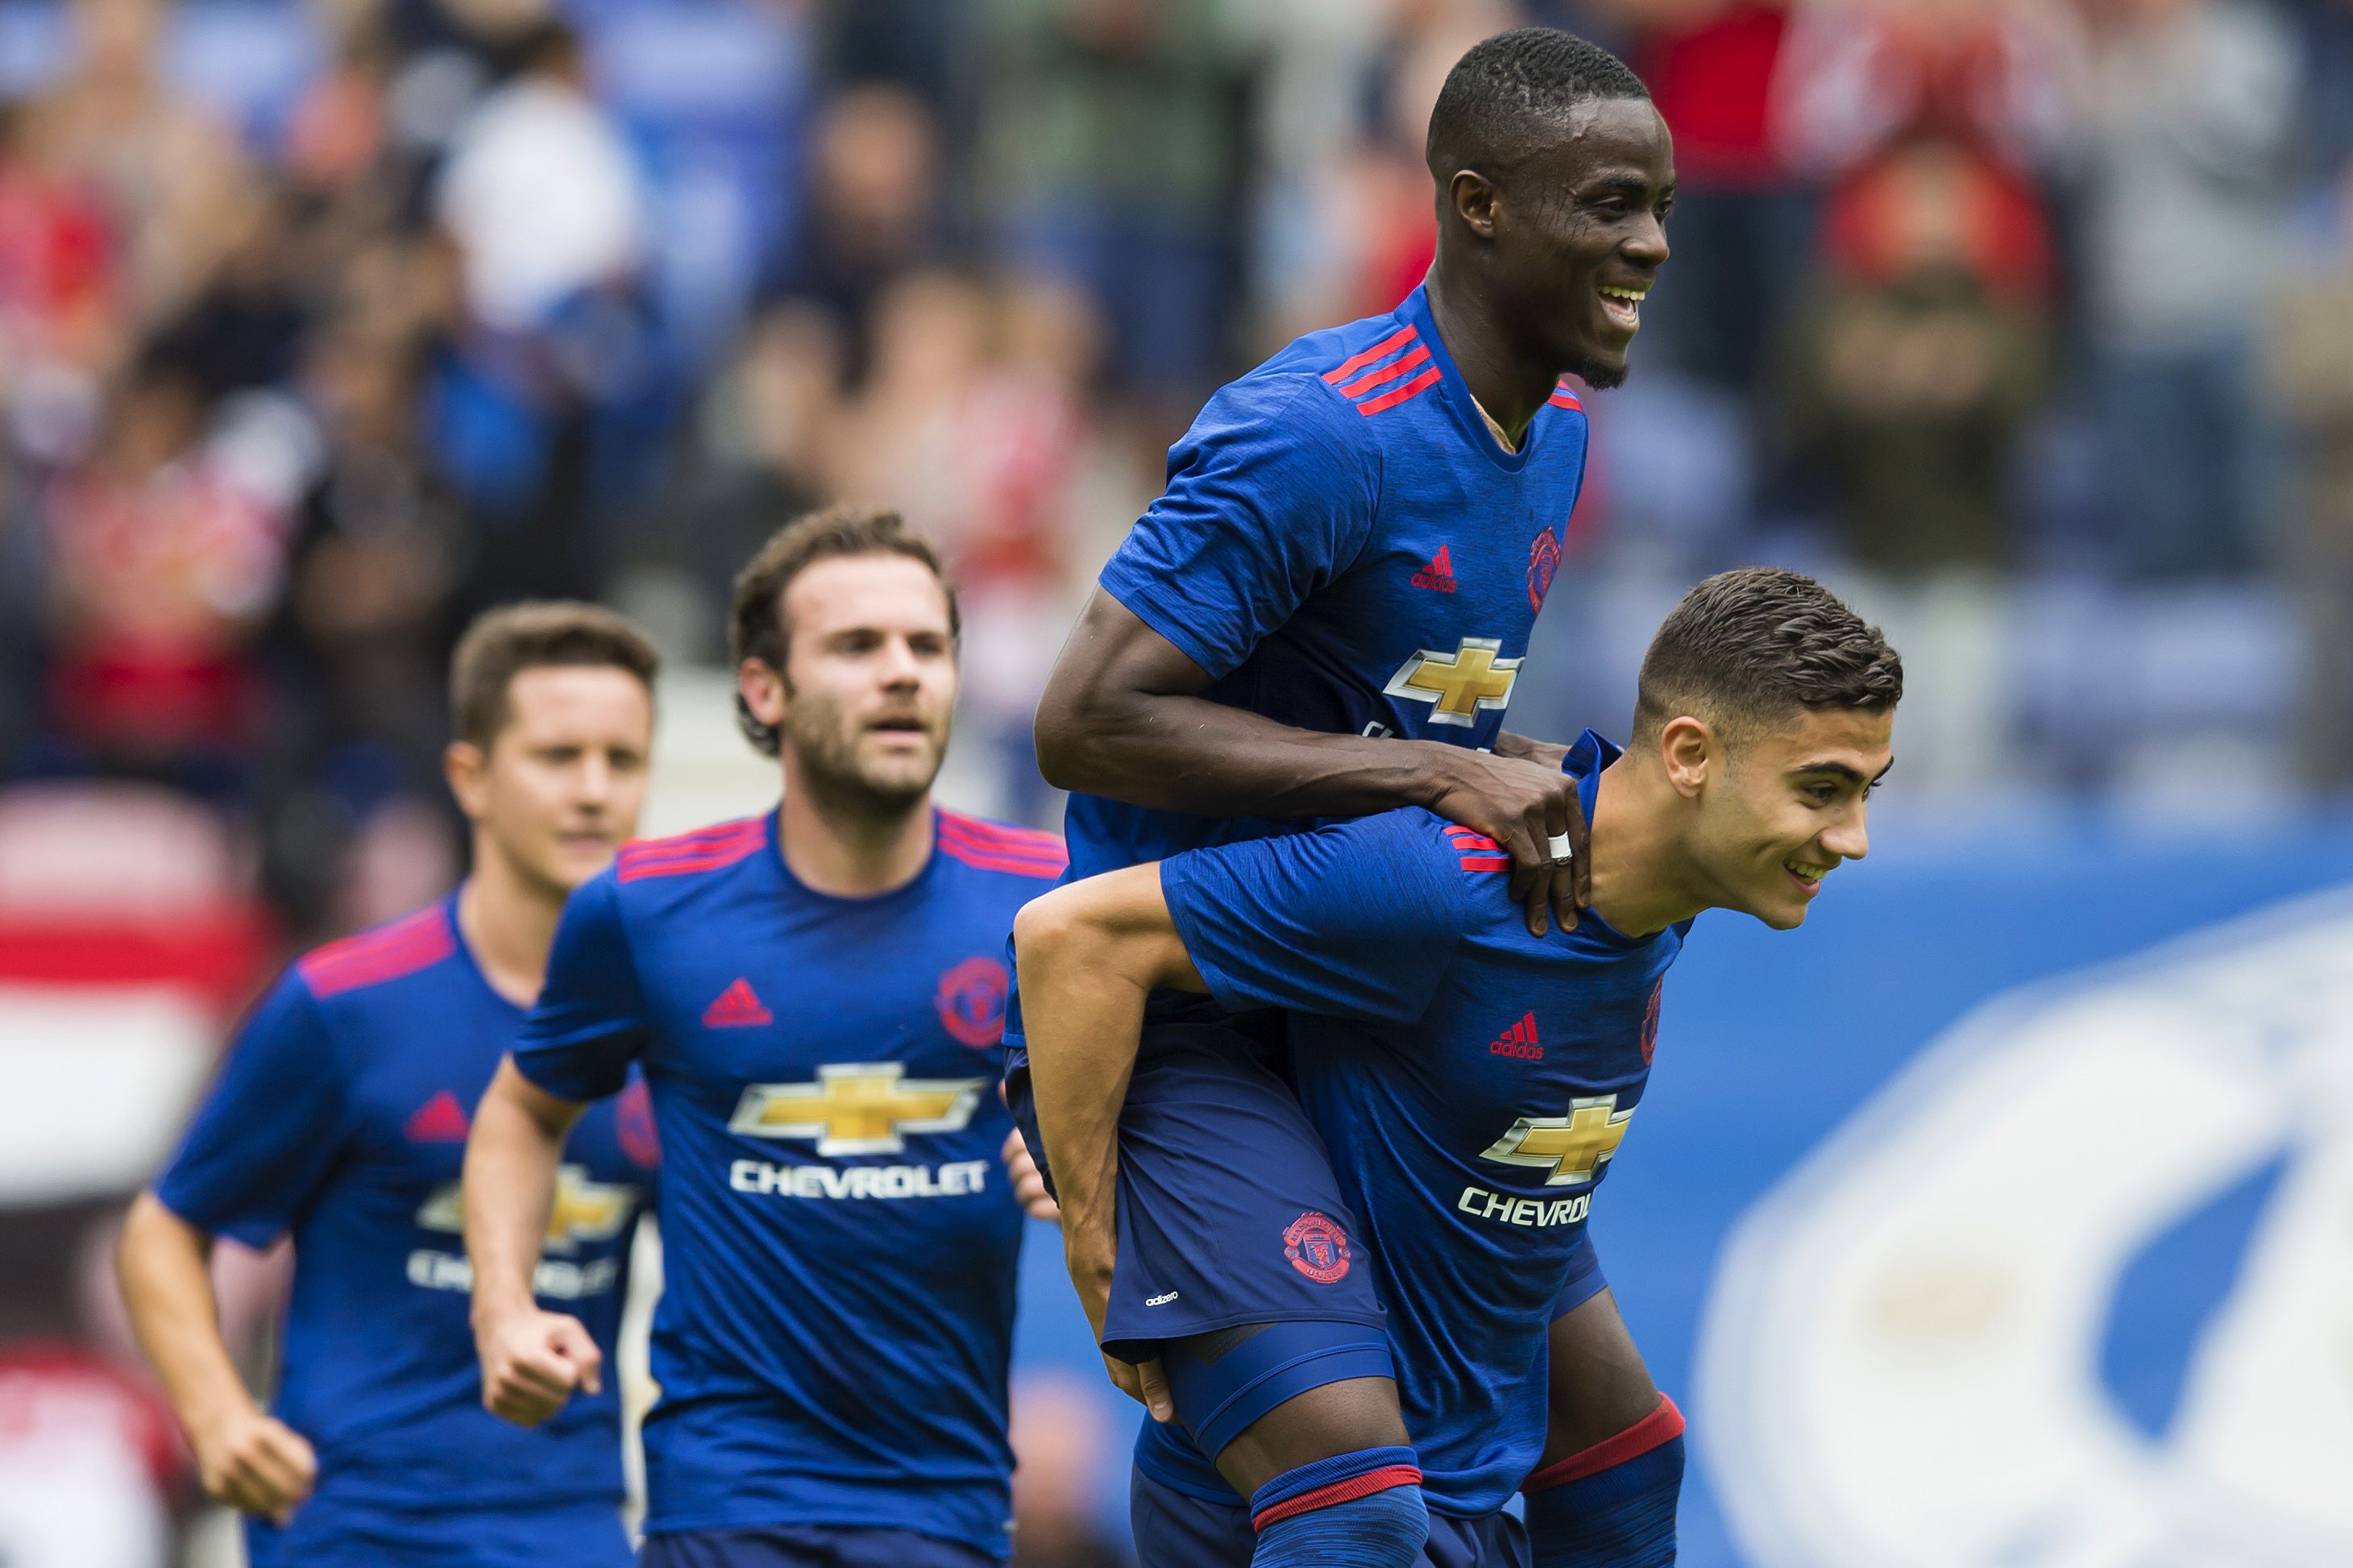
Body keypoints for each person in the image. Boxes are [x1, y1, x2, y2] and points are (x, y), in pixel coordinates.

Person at [1012, 24, 1674, 1566]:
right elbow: (1085, 719)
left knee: (1624, 1449)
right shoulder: (1320, 433)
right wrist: (1437, 767)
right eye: (1608, 205)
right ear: (1477, 205)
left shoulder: (1558, 430)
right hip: (1189, 1009)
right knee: (1355, 1494)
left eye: (1659, 206)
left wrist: (1485, 763)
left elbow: (1398, 710)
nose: (1647, 243)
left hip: (1363, 994)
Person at [1020, 569, 1901, 1566]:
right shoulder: (1436, 881)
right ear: (1690, 756)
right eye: (1821, 789)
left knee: (1630, 1459)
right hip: (1304, 1510)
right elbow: (1072, 936)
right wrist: (1098, 1224)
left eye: (1868, 791)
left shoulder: (1664, 892)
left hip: (1469, 1478)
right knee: (1370, 1511)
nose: (1853, 838)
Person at [463, 506, 1060, 1568]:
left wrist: (1097, 1147)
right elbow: (520, 1109)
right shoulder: (646, 911)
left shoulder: (1049, 904)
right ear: (763, 690)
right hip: (726, 1491)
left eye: (927, 646)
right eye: (857, 645)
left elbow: (1186, 1103)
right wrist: (505, 1309)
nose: (902, 673)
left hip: (950, 1498)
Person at [117, 602, 666, 1566]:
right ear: (472, 777)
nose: (591, 790)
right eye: (556, 755)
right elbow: (164, 1229)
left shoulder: (670, 1019)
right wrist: (219, 1418)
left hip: (569, 1520)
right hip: (356, 1521)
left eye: (620, 760)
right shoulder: (345, 1006)